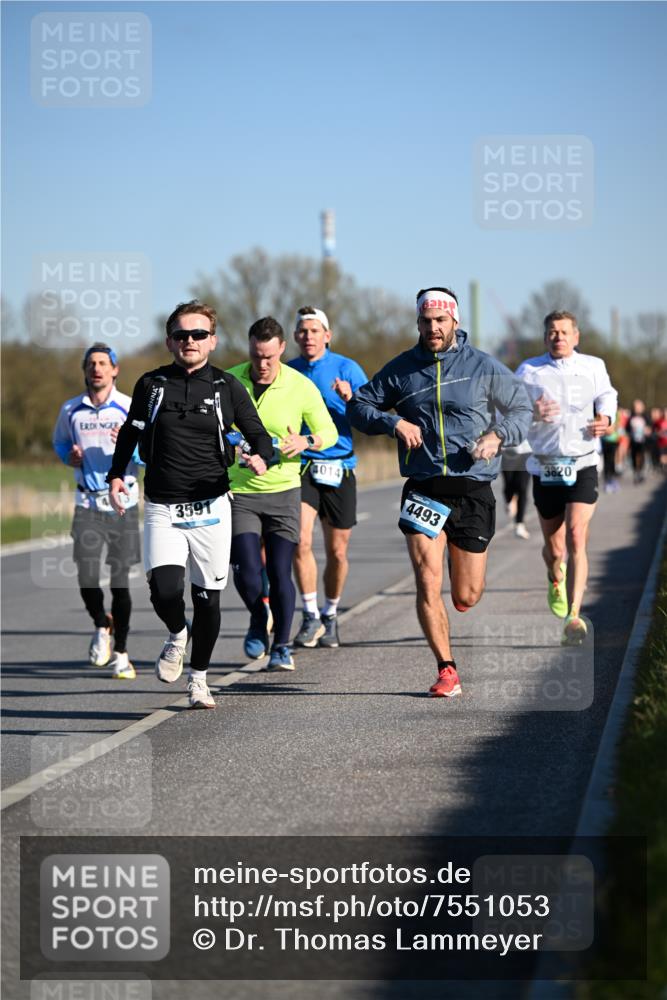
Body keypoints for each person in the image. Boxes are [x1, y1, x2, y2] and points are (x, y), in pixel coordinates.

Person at [348, 287, 533, 698]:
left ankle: (461, 565)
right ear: (417, 323)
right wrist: (392, 423)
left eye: (440, 321)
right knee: (426, 580)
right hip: (424, 487)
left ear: (454, 322)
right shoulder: (402, 369)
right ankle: (446, 669)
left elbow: (523, 408)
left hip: (472, 487)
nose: (432, 328)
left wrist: (498, 434)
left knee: (466, 595)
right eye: (425, 321)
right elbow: (359, 406)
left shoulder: (483, 366)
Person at [108, 301, 274, 709]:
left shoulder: (226, 387)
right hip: (164, 504)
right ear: (170, 341)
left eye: (199, 334)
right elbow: (131, 433)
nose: (190, 341)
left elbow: (259, 434)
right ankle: (177, 633)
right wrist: (116, 475)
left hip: (212, 507)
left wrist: (261, 456)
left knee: (208, 599)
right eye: (182, 335)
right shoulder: (151, 385)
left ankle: (199, 678)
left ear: (212, 341)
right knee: (165, 590)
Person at [227, 316, 338, 670]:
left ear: (281, 351)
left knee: (278, 570)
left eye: (269, 358)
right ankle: (259, 617)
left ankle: (281, 646)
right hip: (240, 491)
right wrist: (232, 445)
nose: (262, 365)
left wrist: (305, 440)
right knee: (245, 571)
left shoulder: (300, 385)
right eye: (256, 356)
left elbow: (329, 432)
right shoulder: (230, 381)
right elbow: (214, 426)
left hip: (284, 490)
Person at [516, 310, 618, 645]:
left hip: (584, 462)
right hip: (546, 466)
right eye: (552, 332)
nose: (558, 337)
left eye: (564, 332)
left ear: (576, 336)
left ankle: (573, 617)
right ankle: (553, 575)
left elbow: (607, 395)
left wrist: (606, 417)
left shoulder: (593, 366)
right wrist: (532, 412)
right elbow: (509, 409)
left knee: (576, 536)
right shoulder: (529, 371)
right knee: (555, 548)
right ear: (545, 337)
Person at [53, 343, 141, 679]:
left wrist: (129, 448)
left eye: (103, 363)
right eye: (91, 364)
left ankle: (121, 653)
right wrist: (69, 456)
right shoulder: (71, 409)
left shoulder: (128, 408)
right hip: (87, 502)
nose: (97, 369)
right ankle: (101, 624)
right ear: (85, 370)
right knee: (87, 576)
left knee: (120, 583)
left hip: (123, 503)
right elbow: (60, 442)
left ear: (115, 370)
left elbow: (147, 455)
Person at [288, 306, 368, 648]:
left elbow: (370, 416)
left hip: (340, 466)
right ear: (295, 337)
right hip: (301, 466)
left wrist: (351, 399)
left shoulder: (347, 368)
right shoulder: (287, 371)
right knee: (300, 542)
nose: (308, 337)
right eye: (303, 332)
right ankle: (309, 615)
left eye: (314, 331)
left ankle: (331, 613)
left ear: (327, 335)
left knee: (337, 551)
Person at [501, 439, 532, 539]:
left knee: (522, 488)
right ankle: (510, 500)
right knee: (509, 484)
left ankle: (519, 524)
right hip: (507, 451)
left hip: (526, 451)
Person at [628, 399, 648, 483]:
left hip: (643, 441)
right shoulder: (631, 417)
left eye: (639, 406)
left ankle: (641, 471)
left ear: (642, 407)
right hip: (633, 441)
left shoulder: (645, 417)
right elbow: (627, 428)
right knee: (634, 456)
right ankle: (636, 471)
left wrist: (648, 430)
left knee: (641, 455)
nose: (637, 408)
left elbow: (650, 427)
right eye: (635, 406)